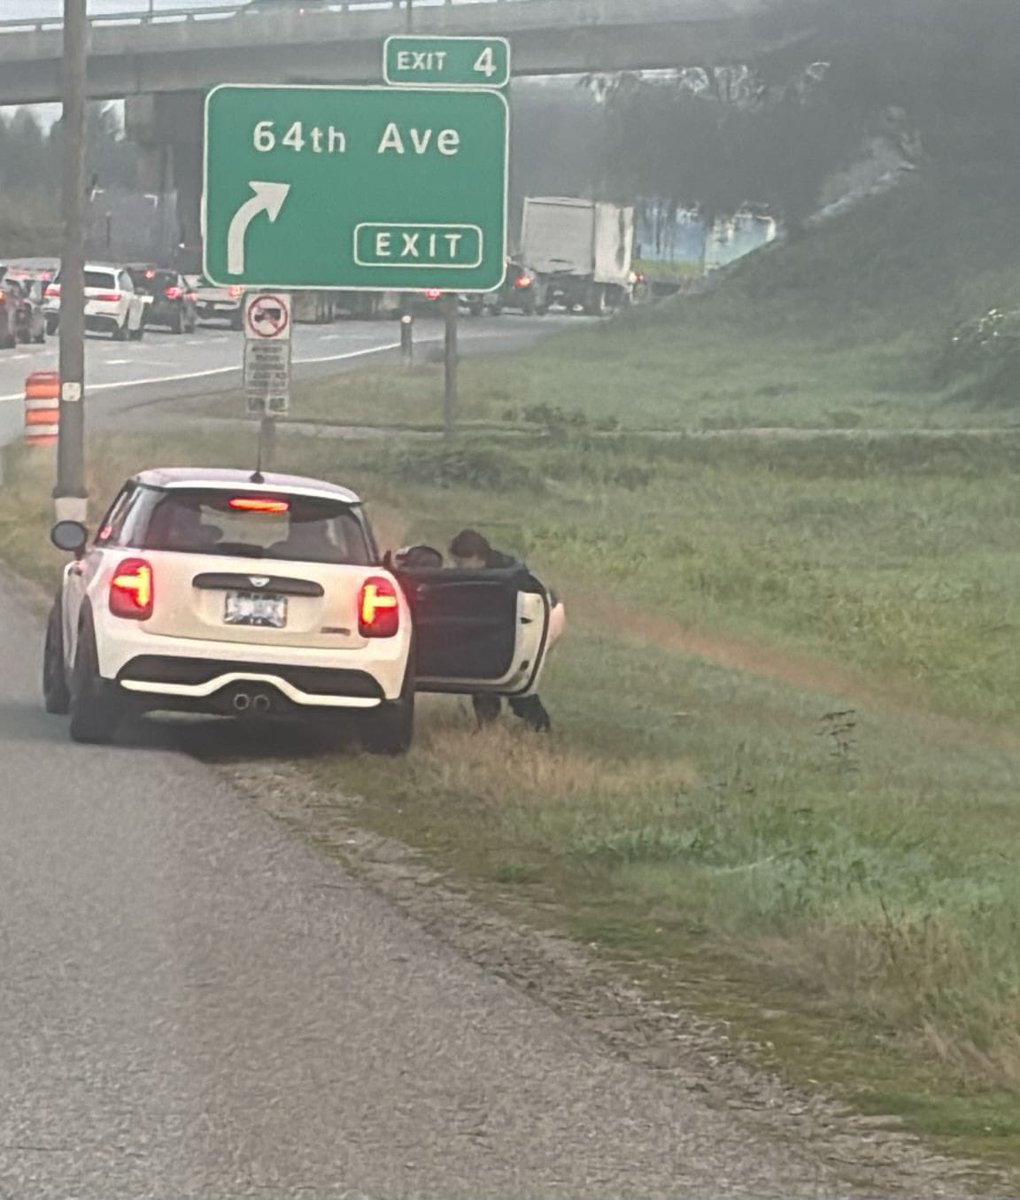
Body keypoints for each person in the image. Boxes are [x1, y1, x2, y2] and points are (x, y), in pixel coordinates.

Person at [448, 529, 565, 734]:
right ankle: (488, 723)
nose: (457, 568)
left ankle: (539, 726)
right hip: (513, 624)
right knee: (485, 672)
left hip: (543, 620)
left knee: (514, 677)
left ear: (476, 557)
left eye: (460, 563)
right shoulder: (488, 571)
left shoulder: (507, 575)